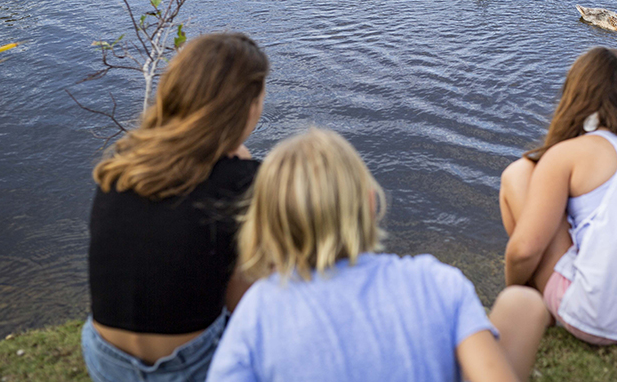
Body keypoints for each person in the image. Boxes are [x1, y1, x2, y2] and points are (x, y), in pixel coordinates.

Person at [207, 127, 549, 382]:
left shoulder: (257, 313)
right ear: (371, 204)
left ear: (268, 223)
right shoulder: (435, 281)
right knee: (522, 303)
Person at [82, 32, 269, 382]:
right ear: (247, 105)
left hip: (104, 356)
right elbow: (243, 305)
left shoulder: (125, 162)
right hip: (190, 365)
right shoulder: (247, 183)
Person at [500, 47, 617, 345]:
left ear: (577, 95)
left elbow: (524, 251)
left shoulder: (567, 154)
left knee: (518, 174)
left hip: (598, 318)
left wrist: (510, 294)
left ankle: (534, 307)